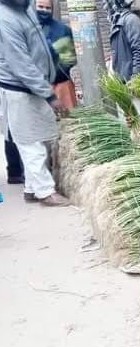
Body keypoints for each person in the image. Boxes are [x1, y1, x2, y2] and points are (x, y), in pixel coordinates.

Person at [0, 0, 70, 206]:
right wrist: (49, 95)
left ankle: (31, 188)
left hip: (33, 87)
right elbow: (21, 64)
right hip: (19, 89)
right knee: (31, 143)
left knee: (37, 138)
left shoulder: (26, 8)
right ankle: (45, 192)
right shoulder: (5, 18)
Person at [36, 0, 78, 109]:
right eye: (40, 7)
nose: (44, 10)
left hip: (61, 86)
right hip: (35, 88)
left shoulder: (62, 30)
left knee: (69, 122)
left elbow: (70, 59)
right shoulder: (26, 30)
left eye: (47, 8)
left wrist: (52, 75)